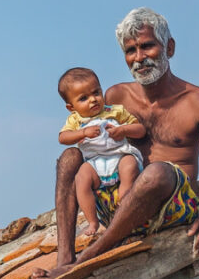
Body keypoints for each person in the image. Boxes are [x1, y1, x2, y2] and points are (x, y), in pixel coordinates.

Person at [34, 7, 199, 279]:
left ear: (169, 48)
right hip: (120, 205)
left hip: (171, 206)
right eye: (130, 50)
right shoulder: (116, 97)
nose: (139, 58)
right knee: (69, 157)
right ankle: (64, 260)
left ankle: (84, 262)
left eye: (147, 46)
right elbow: (83, 141)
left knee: (156, 172)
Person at [57, 67, 146, 235]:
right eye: (84, 98)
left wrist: (123, 130)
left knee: (129, 165)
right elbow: (63, 138)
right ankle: (92, 221)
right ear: (71, 107)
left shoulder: (114, 111)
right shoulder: (75, 120)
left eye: (96, 93)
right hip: (94, 162)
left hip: (120, 154)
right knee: (81, 179)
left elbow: (140, 129)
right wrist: (82, 133)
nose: (93, 100)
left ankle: (124, 200)